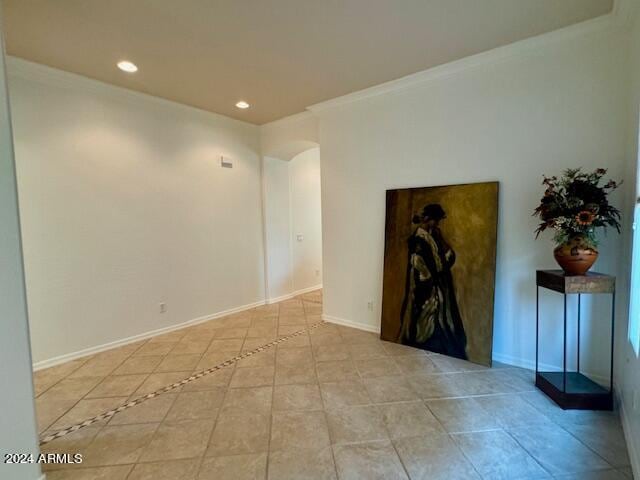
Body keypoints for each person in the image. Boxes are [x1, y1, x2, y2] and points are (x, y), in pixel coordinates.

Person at [397, 203, 467, 359]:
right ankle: (422, 344)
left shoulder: (433, 236)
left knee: (441, 318)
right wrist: (429, 278)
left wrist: (441, 241)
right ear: (428, 219)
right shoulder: (418, 238)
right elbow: (418, 264)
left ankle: (439, 347)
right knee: (425, 317)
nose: (437, 224)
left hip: (436, 284)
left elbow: (445, 258)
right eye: (435, 220)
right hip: (425, 287)